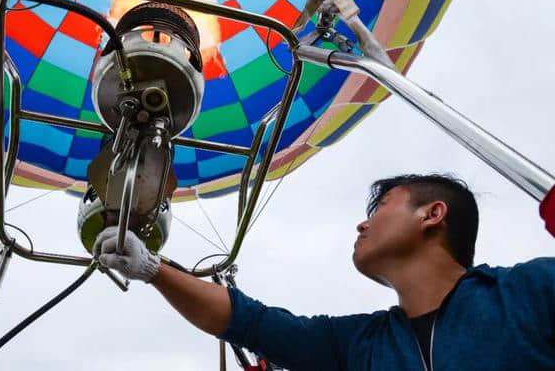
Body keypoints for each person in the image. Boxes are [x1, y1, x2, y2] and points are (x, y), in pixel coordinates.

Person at [93, 174, 555, 371]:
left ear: (432, 214)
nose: (363, 222)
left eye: (382, 206)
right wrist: (152, 269)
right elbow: (250, 322)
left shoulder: (527, 292)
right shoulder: (360, 345)